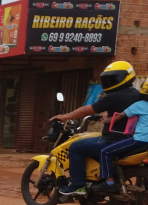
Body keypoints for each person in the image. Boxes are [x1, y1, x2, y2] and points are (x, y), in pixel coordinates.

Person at [49, 61, 139, 196]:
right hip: (130, 139)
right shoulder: (135, 94)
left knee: (75, 147)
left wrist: (65, 116)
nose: (110, 82)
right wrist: (106, 116)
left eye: (114, 78)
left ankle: (78, 185)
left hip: (113, 140)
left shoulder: (114, 96)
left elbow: (88, 109)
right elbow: (124, 112)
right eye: (108, 79)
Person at [94, 71, 148, 192]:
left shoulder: (139, 105)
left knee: (105, 152)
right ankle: (147, 185)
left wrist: (104, 120)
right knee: (147, 160)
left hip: (139, 141)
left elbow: (116, 118)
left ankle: (109, 183)